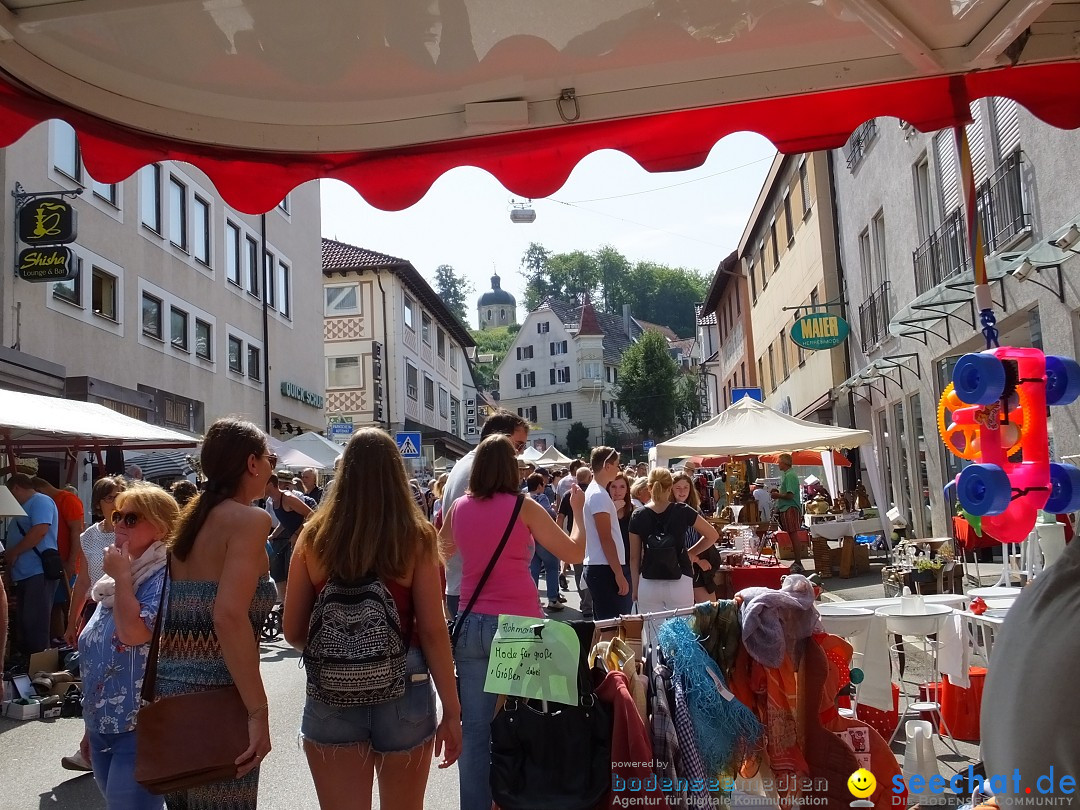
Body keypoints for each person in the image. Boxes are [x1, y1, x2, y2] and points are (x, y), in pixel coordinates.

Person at [283, 429, 461, 810]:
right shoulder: (416, 537)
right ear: (397, 476)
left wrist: (340, 652)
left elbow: (293, 630)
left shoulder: (314, 537)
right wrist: (452, 710)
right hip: (405, 686)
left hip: (331, 691)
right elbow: (432, 630)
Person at [439, 434, 585, 810]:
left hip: (470, 624)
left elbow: (436, 556)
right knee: (530, 722)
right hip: (520, 627)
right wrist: (579, 511)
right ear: (510, 469)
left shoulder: (458, 508)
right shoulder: (526, 507)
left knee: (475, 730)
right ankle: (523, 797)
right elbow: (575, 550)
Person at [157, 418, 277, 809]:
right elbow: (227, 616)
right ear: (252, 463)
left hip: (171, 697)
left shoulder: (192, 520)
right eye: (269, 457)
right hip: (219, 700)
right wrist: (258, 710)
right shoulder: (249, 520)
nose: (272, 465)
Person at [79, 482, 177, 810]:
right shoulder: (115, 581)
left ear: (161, 528)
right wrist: (89, 726)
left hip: (140, 725)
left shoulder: (161, 577)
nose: (118, 524)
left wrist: (121, 577)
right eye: (118, 515)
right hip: (103, 724)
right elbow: (99, 658)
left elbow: (134, 634)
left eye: (131, 519)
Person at [439, 409, 530, 618]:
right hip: (480, 593)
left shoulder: (466, 464)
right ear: (500, 439)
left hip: (463, 587)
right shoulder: (481, 471)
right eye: (518, 445)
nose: (520, 453)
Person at [63, 475, 127, 773]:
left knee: (115, 679)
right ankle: (92, 745)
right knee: (92, 679)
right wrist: (72, 619)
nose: (116, 501)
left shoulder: (132, 532)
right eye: (110, 496)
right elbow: (84, 579)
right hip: (94, 610)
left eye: (121, 494)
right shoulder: (89, 535)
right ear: (99, 502)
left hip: (123, 609)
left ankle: (96, 746)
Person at [629, 468, 720, 614]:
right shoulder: (683, 510)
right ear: (670, 487)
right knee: (682, 632)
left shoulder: (638, 515)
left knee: (652, 632)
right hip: (680, 578)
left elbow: (634, 558)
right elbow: (712, 535)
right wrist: (691, 553)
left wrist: (635, 587)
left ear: (649, 488)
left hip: (649, 580)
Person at [4, 473, 60, 656]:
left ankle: (38, 667)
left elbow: (40, 530)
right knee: (25, 622)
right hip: (26, 573)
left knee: (35, 622)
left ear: (16, 488)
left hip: (38, 571)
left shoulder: (40, 501)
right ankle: (29, 663)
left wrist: (14, 551)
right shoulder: (27, 506)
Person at [583, 447, 632, 620]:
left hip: (602, 567)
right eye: (617, 465)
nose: (619, 469)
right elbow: (606, 538)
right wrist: (618, 574)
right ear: (607, 466)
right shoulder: (598, 494)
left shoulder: (596, 491)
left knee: (606, 626)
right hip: (604, 569)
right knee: (611, 627)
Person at [672, 471, 723, 603]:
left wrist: (697, 559)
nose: (682, 491)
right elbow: (674, 543)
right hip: (679, 568)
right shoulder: (668, 511)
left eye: (686, 487)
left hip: (699, 568)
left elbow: (706, 536)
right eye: (678, 487)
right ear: (670, 489)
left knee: (710, 609)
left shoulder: (696, 509)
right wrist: (696, 559)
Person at [265, 469, 314, 601]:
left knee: (299, 574)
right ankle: (288, 603)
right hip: (295, 539)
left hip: (306, 540)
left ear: (270, 484)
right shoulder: (274, 501)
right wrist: (272, 536)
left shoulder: (287, 497)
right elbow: (283, 521)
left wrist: (297, 533)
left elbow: (311, 515)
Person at [526, 472, 563, 612]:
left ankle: (533, 598)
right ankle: (553, 599)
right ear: (540, 486)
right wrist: (553, 511)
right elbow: (548, 514)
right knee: (552, 567)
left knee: (534, 568)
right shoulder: (541, 497)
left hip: (530, 537)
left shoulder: (524, 496)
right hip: (543, 536)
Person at [773, 453, 805, 573]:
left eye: (779, 462)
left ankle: (798, 561)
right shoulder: (787, 475)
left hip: (790, 507)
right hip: (786, 507)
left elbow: (790, 495)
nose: (778, 464)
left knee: (793, 534)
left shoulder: (790, 475)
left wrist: (777, 495)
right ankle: (797, 561)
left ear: (785, 462)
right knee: (792, 534)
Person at [606, 471, 634, 566]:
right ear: (608, 488)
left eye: (622, 487)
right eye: (613, 486)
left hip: (629, 562)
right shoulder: (603, 510)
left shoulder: (634, 511)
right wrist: (612, 511)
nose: (617, 491)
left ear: (627, 489)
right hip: (608, 562)